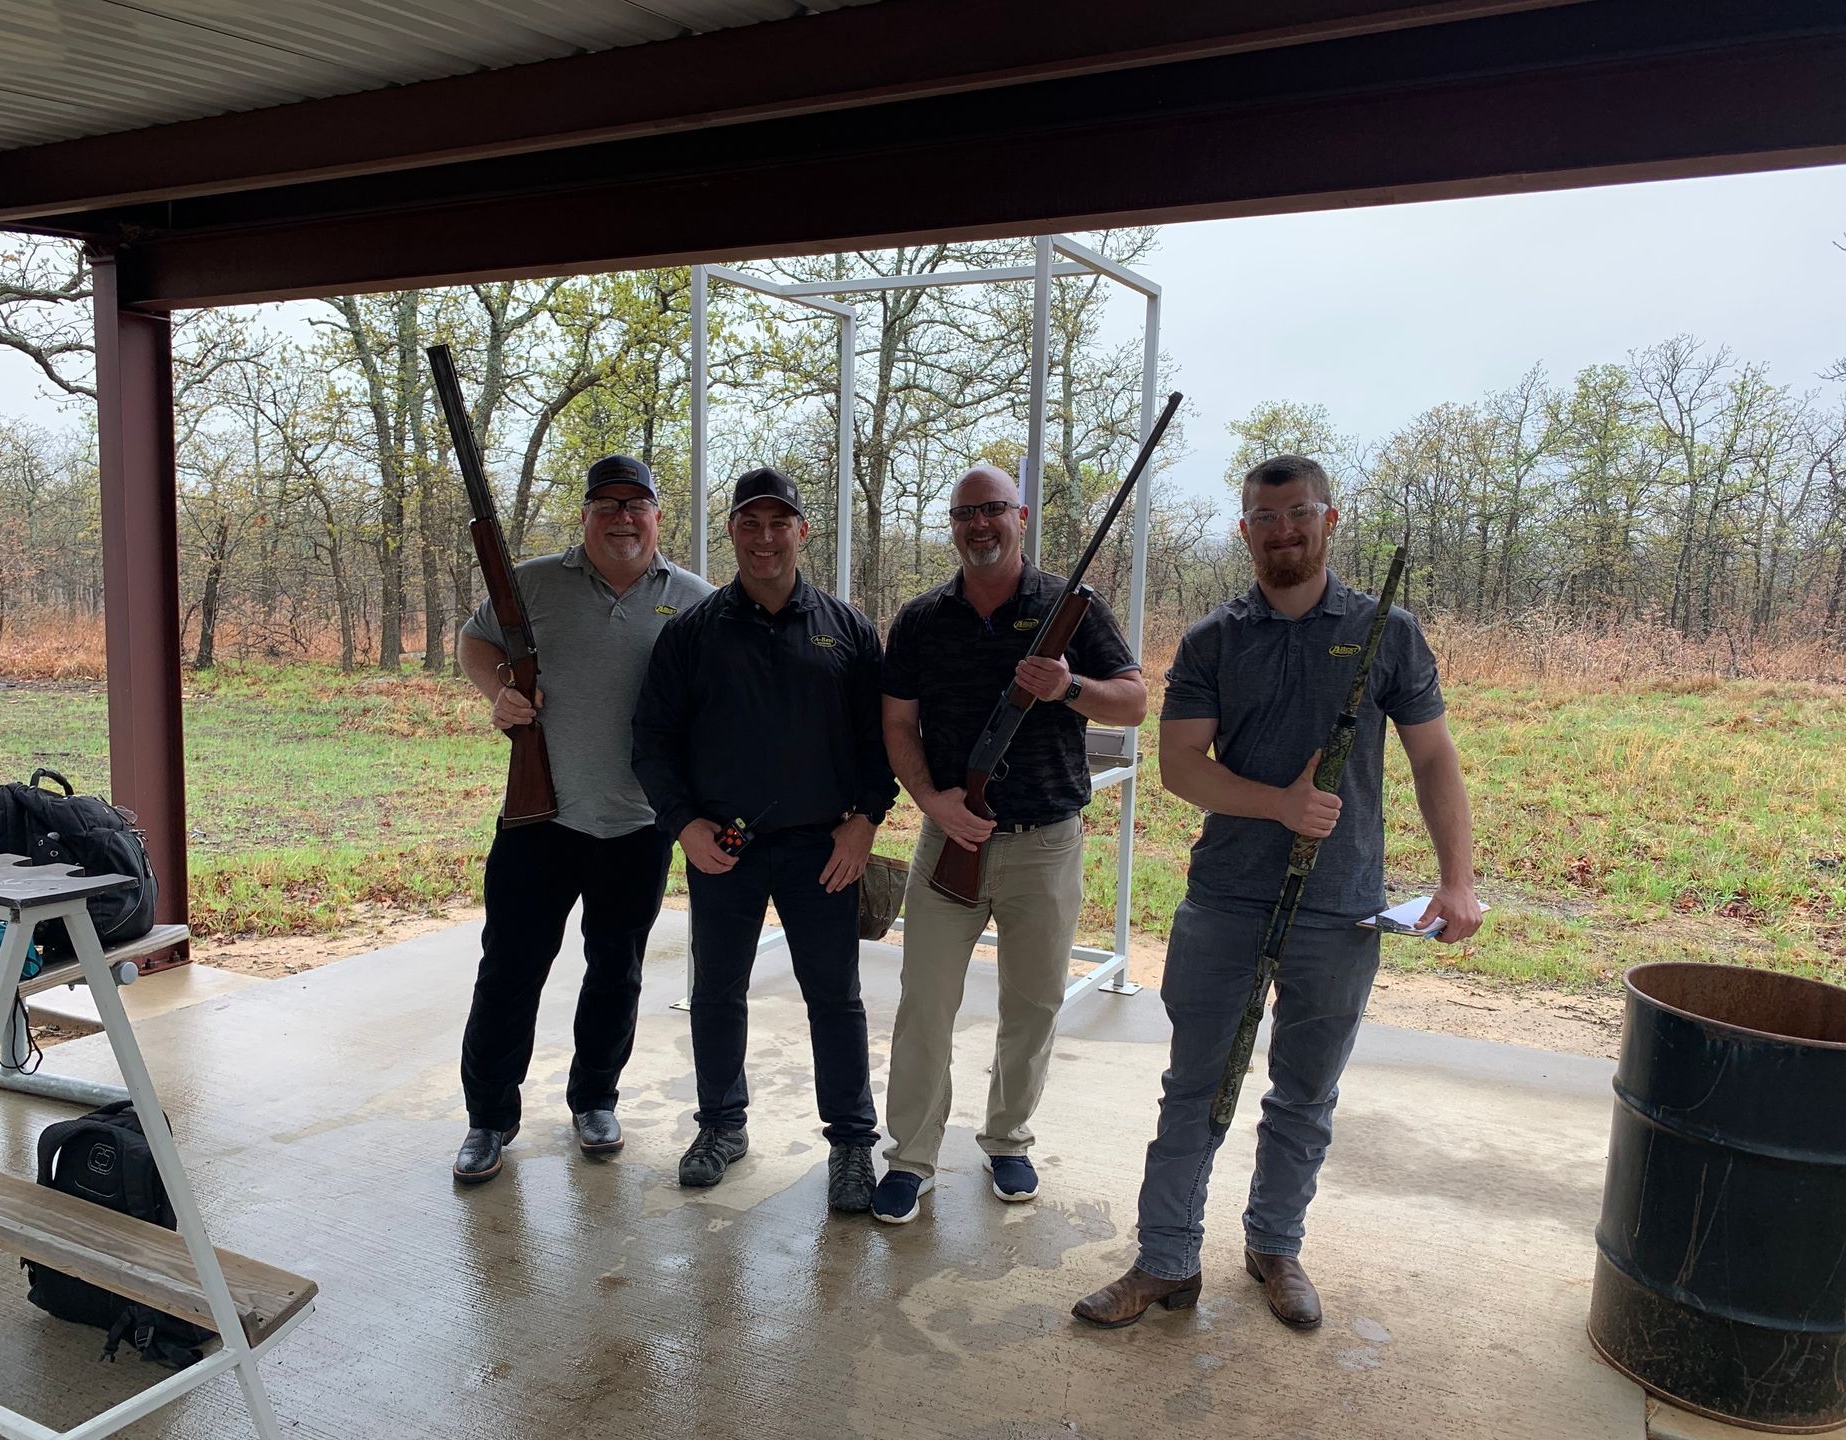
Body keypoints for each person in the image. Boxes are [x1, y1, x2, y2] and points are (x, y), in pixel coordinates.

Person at [1073, 454, 1482, 1329]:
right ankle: (1166, 1260)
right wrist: (1280, 806)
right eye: (1266, 517)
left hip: (1341, 904)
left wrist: (1457, 880)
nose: (1284, 531)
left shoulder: (1389, 632)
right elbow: (1181, 763)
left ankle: (1274, 1246)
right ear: (1244, 529)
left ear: (1329, 520)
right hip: (1226, 897)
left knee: (1304, 1091)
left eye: (1300, 513)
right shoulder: (1215, 639)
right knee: (1195, 1083)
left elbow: (1433, 756)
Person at [871, 463, 1147, 1225]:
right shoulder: (921, 619)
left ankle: (1007, 1139)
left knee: (1032, 1003)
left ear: (1021, 517)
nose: (979, 524)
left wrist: (1066, 688)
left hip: (1046, 842)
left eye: (993, 509)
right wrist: (934, 802)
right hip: (946, 838)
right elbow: (897, 724)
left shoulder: (1073, 608)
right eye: (966, 514)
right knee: (924, 1004)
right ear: (952, 526)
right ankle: (911, 1157)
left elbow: (1134, 699)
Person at [631, 466, 897, 1213]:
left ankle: (851, 1145)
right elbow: (652, 740)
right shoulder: (692, 634)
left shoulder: (846, 630)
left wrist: (866, 818)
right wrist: (682, 823)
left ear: (802, 533)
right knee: (717, 993)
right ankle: (720, 1127)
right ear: (733, 534)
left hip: (825, 849)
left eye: (779, 523)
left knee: (835, 1000)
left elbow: (882, 741)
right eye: (751, 523)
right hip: (725, 847)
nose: (765, 537)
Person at [452, 454, 711, 1185]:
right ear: (587, 514)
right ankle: (488, 1120)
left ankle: (595, 1100)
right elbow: (474, 644)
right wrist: (498, 691)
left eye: (637, 505)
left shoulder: (695, 599)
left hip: (639, 824)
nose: (622, 517)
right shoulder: (533, 583)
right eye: (607, 504)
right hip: (540, 819)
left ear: (658, 516)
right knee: (509, 971)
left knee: (617, 971)